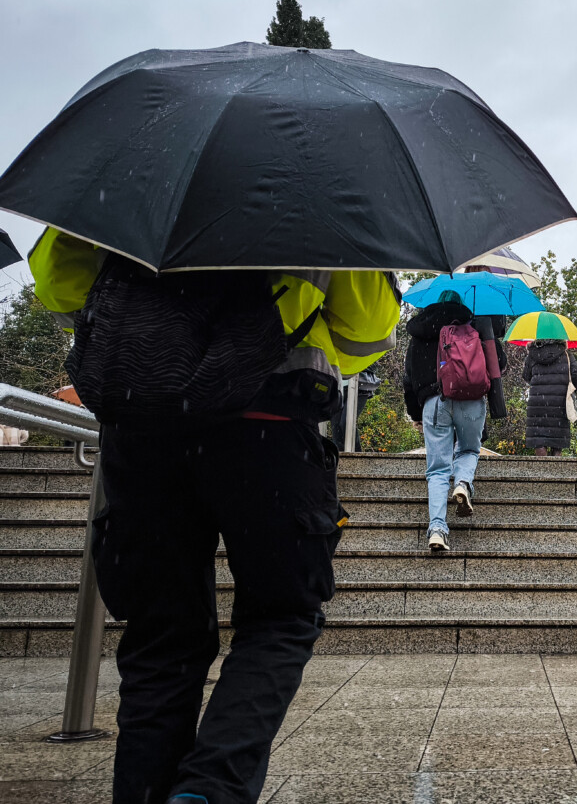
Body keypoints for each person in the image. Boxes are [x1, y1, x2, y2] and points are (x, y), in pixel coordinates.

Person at [28, 228, 402, 804]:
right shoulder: (320, 199)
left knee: (160, 640)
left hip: (145, 428)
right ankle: (211, 790)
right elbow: (367, 329)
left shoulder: (137, 165)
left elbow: (59, 286)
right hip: (268, 423)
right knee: (280, 616)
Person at [402, 290, 486, 551]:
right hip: (470, 399)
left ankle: (437, 528)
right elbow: (498, 364)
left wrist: (417, 412)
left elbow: (409, 378)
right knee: (470, 449)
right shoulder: (472, 328)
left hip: (434, 401)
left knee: (438, 469)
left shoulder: (419, 333)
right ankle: (462, 483)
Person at [522, 338, 577, 456]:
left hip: (538, 403)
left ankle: (541, 471)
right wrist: (568, 386)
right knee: (557, 442)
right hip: (559, 402)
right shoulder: (566, 354)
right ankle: (556, 470)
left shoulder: (533, 354)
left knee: (539, 441)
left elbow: (526, 375)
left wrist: (538, 384)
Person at [331, 362, 382, 452]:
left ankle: (357, 455)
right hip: (339, 387)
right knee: (336, 427)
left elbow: (373, 364)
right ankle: (341, 459)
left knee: (347, 422)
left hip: (359, 387)